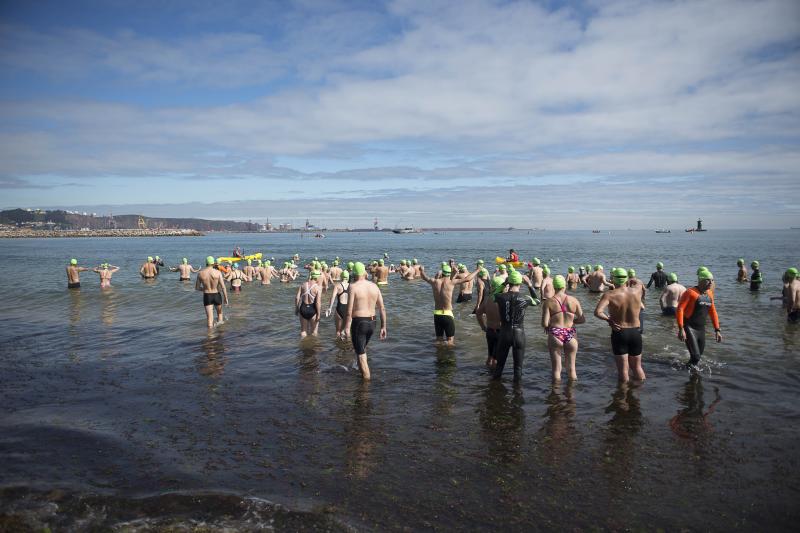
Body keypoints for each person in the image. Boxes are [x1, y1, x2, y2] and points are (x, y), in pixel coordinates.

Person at [594, 268, 646, 382]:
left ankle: (622, 395)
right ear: (626, 279)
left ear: (613, 279)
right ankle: (640, 392)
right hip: (636, 332)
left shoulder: (609, 294)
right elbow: (639, 282)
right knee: (637, 367)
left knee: (623, 370)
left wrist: (609, 320)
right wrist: (631, 280)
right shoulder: (637, 291)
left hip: (619, 332)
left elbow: (597, 312)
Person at [493, 270, 539, 381]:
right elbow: (537, 300)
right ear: (520, 283)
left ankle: (494, 392)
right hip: (519, 335)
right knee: (518, 369)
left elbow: (492, 294)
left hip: (504, 334)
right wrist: (529, 285)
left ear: (509, 282)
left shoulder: (500, 297)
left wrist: (504, 284)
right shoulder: (526, 298)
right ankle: (518, 393)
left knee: (499, 366)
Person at [344, 262, 387, 380]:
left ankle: (365, 389)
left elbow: (349, 311)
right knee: (362, 349)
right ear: (364, 273)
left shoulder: (353, 287)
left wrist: (347, 328)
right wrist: (383, 327)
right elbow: (382, 308)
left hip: (359, 323)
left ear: (354, 273)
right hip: (373, 322)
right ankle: (361, 374)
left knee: (361, 355)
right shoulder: (374, 286)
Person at [419, 262, 481, 345]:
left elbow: (424, 277)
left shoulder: (434, 281)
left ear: (442, 273)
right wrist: (478, 270)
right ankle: (449, 357)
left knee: (438, 340)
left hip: (437, 315)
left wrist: (422, 270)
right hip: (447, 314)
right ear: (449, 273)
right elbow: (467, 279)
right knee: (450, 341)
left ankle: (439, 356)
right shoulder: (452, 282)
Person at [541, 275, 585, 382]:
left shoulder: (548, 302)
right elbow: (582, 319)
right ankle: (571, 396)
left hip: (556, 334)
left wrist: (549, 326)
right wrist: (572, 322)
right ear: (564, 286)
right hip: (571, 333)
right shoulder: (574, 300)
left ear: (553, 287)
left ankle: (556, 395)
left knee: (556, 370)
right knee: (572, 369)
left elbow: (544, 323)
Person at [676, 268, 722, 366]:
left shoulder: (709, 294)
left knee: (697, 357)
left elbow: (713, 312)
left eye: (712, 280)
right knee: (696, 357)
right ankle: (689, 377)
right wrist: (681, 329)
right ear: (700, 280)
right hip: (689, 327)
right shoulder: (690, 292)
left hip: (701, 329)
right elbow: (680, 309)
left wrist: (717, 330)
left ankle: (688, 373)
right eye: (708, 280)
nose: (711, 282)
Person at [476, 277, 505, 368]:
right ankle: (493, 378)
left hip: (489, 331)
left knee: (490, 356)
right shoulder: (504, 300)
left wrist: (483, 326)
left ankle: (487, 372)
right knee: (496, 358)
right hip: (500, 331)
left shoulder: (487, 300)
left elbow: (478, 314)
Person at [195, 256, 228, 328]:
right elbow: (223, 287)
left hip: (207, 296)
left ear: (206, 263)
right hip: (217, 295)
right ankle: (220, 333)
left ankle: (210, 337)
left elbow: (197, 288)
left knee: (210, 318)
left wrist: (205, 289)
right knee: (220, 314)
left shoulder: (200, 273)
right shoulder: (218, 272)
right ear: (213, 263)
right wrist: (226, 298)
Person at [295, 270, 322, 338]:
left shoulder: (303, 285)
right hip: (313, 309)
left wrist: (297, 309)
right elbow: (318, 302)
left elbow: (297, 298)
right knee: (314, 332)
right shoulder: (317, 288)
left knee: (303, 331)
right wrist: (318, 314)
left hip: (303, 308)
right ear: (317, 277)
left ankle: (303, 345)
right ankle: (312, 346)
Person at [326, 270, 351, 339]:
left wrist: (330, 308)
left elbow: (333, 297)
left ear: (341, 277)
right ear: (348, 277)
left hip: (340, 308)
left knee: (338, 331)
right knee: (347, 331)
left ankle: (338, 347)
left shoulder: (337, 286)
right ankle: (348, 344)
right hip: (348, 309)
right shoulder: (351, 286)